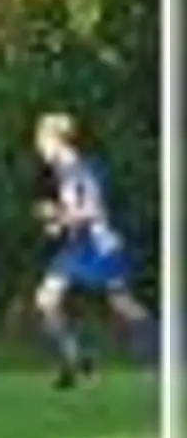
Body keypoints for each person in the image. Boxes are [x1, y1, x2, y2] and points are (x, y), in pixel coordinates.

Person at [30, 112, 157, 389]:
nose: (39, 148)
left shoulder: (79, 169)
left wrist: (59, 219)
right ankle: (77, 364)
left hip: (99, 245)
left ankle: (159, 356)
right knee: (46, 300)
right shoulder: (65, 171)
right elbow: (77, 210)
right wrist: (58, 218)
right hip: (78, 246)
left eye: (42, 141)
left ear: (56, 141)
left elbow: (93, 210)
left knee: (122, 302)